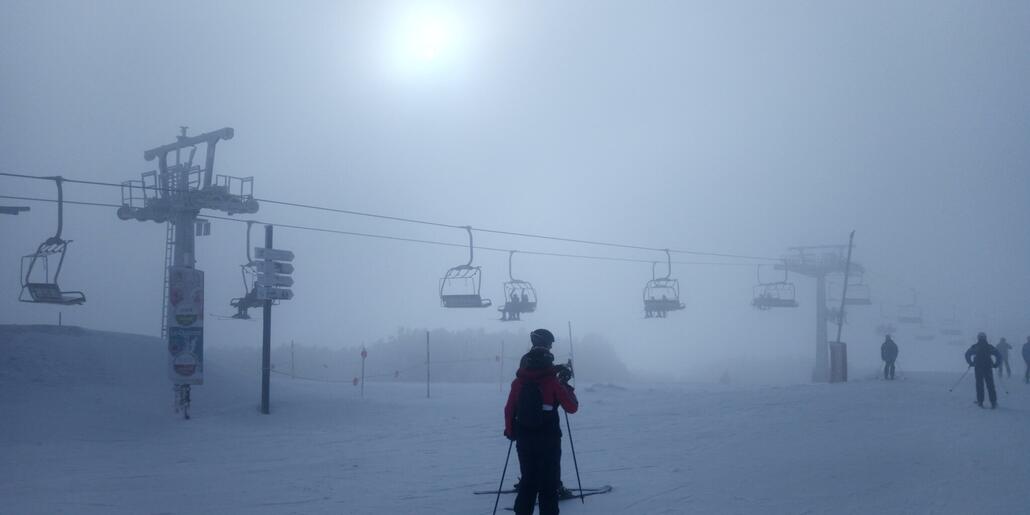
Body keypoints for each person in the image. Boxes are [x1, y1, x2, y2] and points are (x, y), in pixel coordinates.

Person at [504, 329, 578, 515]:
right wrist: (565, 383)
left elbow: (509, 409)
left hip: (524, 438)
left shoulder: (518, 382)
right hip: (549, 439)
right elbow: (571, 407)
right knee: (548, 486)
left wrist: (511, 432)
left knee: (528, 483)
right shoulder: (553, 382)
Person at [965, 332, 1002, 409]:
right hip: (988, 367)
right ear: (985, 338)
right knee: (990, 385)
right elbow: (998, 355)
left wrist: (971, 362)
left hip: (978, 367)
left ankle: (980, 402)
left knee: (979, 385)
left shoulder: (975, 346)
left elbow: (967, 354)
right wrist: (996, 364)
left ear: (978, 338)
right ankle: (993, 402)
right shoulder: (989, 346)